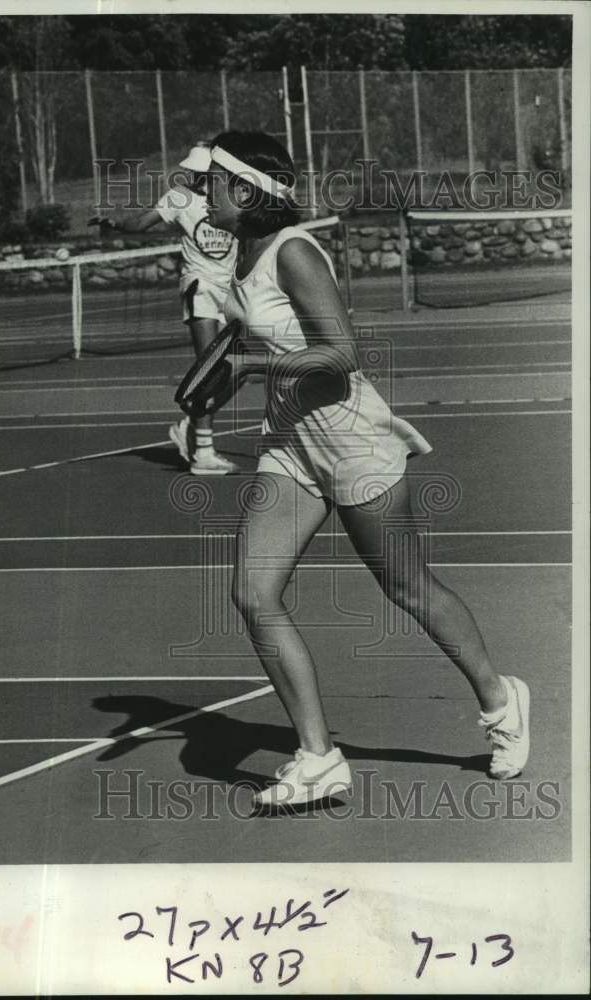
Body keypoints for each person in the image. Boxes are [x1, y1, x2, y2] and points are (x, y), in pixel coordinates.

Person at [203, 130, 531, 809]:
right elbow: (257, 339)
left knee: (408, 590)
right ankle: (318, 756)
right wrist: (217, 381)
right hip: (291, 441)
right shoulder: (242, 253)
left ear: (243, 191)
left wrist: (252, 367)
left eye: (210, 179)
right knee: (253, 594)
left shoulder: (293, 251)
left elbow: (343, 354)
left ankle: (502, 703)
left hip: (352, 440)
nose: (199, 190)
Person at [94, 142, 238, 475]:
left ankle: (192, 420)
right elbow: (141, 223)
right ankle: (204, 451)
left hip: (230, 290)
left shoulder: (229, 198)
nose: (193, 175)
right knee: (209, 368)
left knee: (238, 366)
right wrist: (114, 224)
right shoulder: (179, 197)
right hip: (199, 288)